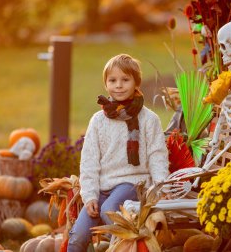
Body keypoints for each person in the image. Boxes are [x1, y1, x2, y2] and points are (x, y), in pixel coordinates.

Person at [67, 54, 169, 252]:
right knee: (77, 238)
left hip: (132, 183)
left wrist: (160, 188)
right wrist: (89, 197)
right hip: (103, 188)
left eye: (125, 80)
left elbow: (157, 156)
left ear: (136, 83)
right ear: (106, 84)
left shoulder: (149, 119)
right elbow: (89, 162)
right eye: (112, 80)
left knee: (109, 211)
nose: (119, 85)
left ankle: (128, 246)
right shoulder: (98, 121)